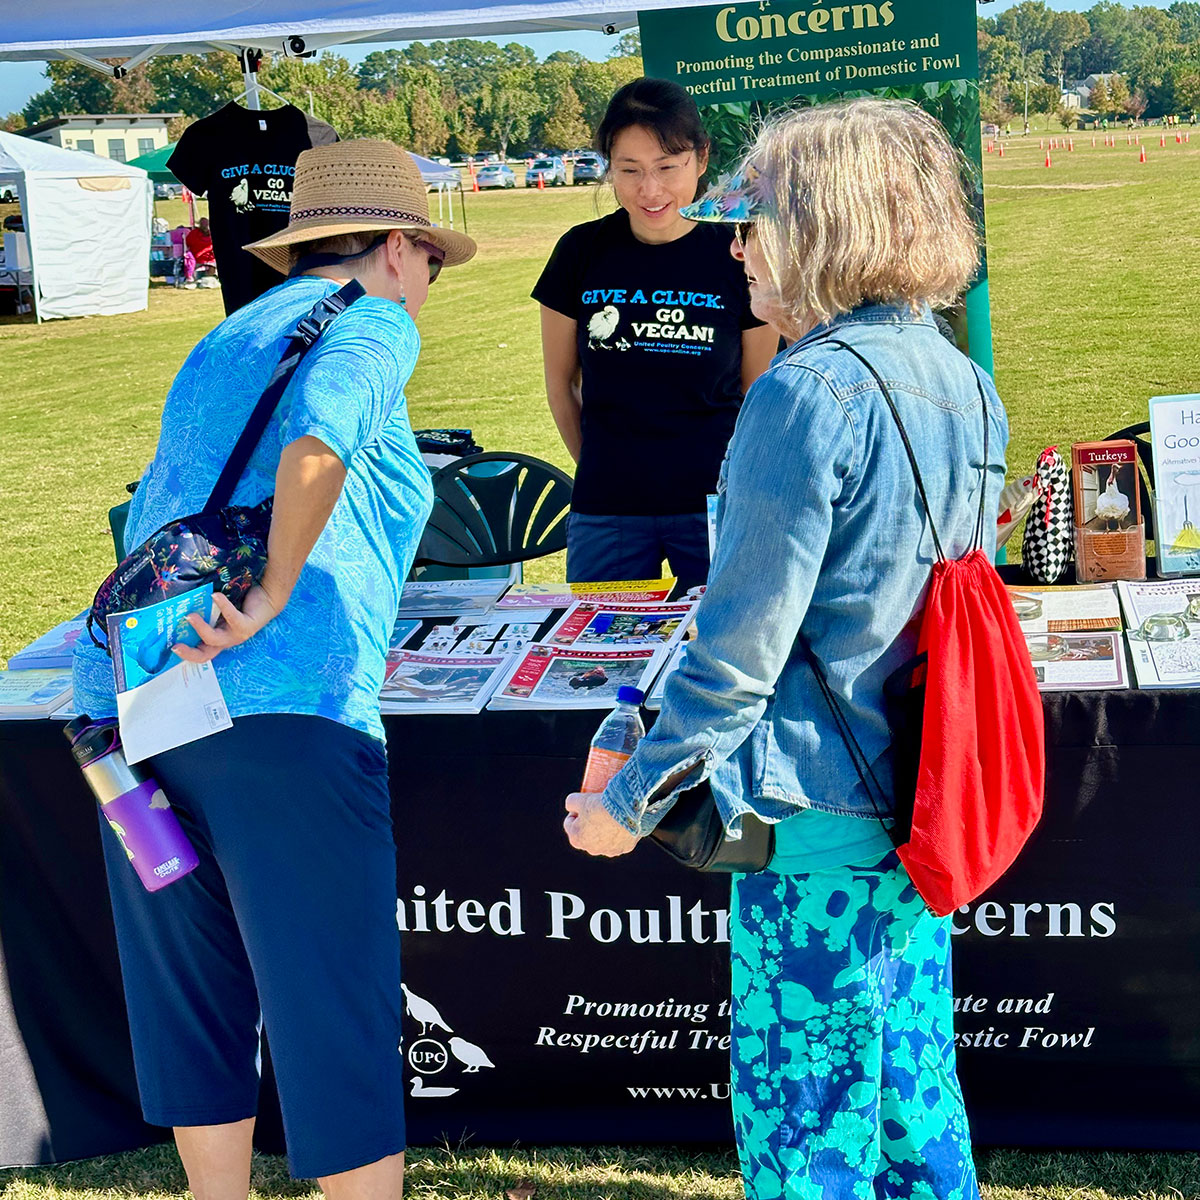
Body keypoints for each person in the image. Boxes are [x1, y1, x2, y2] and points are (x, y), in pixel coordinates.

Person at [563, 97, 1008, 1199]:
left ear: (825, 226)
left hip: (814, 812)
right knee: (910, 1105)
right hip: (916, 802)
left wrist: (630, 803)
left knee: (805, 1124)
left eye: (755, 220)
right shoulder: (967, 381)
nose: (736, 244)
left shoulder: (806, 392)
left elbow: (737, 654)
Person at [72, 140, 475, 1199]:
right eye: (431, 261)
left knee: (194, 991)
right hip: (285, 705)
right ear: (396, 248)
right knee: (329, 998)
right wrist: (275, 591)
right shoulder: (373, 320)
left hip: (140, 704)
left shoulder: (229, 335)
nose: (428, 287)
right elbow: (317, 440)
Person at [533, 77, 777, 594]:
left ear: (701, 159)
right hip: (608, 507)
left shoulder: (739, 252)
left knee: (719, 657)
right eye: (630, 170)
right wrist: (601, 465)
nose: (650, 190)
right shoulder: (580, 251)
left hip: (716, 504)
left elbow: (760, 390)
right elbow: (560, 383)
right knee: (599, 661)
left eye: (667, 168)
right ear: (609, 167)